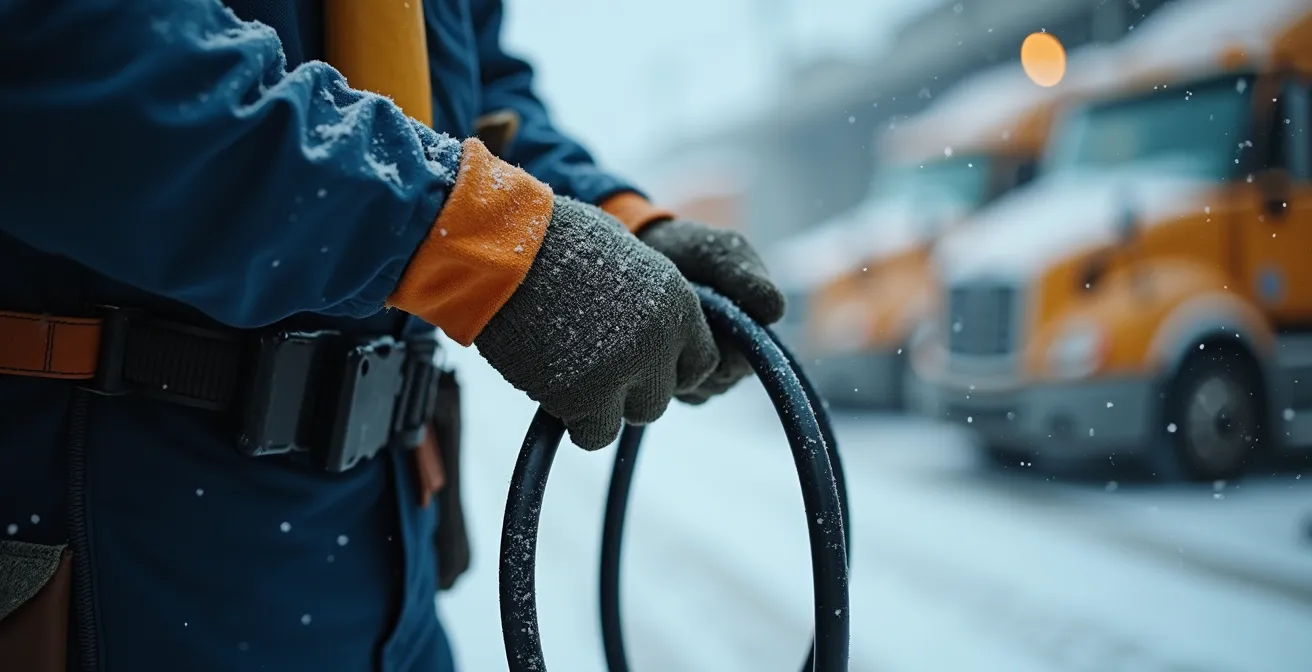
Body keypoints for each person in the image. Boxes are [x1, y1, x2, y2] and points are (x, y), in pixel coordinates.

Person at [0, 1, 785, 671]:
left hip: (381, 541)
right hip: (120, 536)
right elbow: (78, 59)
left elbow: (474, 87)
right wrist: (472, 239)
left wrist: (615, 221)